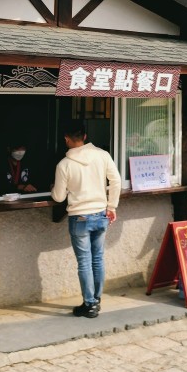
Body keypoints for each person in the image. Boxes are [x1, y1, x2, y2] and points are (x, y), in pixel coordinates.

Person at [51, 120, 122, 317]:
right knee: (98, 258)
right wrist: (112, 206)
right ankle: (96, 299)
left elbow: (58, 197)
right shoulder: (103, 155)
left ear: (66, 139)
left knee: (84, 261)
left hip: (80, 217)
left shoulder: (64, 165)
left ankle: (89, 304)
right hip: (101, 215)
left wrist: (52, 188)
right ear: (84, 137)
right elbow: (116, 181)